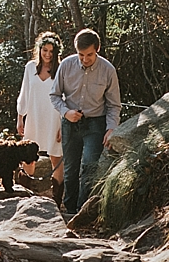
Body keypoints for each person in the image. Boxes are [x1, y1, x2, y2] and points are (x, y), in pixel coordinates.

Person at [49, 28, 121, 214]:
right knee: (70, 171)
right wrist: (66, 112)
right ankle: (70, 210)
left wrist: (111, 128)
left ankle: (82, 212)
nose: (85, 59)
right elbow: (54, 95)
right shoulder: (66, 65)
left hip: (96, 124)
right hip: (70, 123)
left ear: (97, 49)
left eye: (89, 55)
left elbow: (114, 104)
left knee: (89, 168)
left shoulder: (108, 70)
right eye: (81, 55)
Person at [15, 32, 64, 188]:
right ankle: (26, 192)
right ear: (39, 49)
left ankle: (57, 196)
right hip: (34, 117)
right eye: (45, 50)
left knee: (56, 156)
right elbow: (24, 93)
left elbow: (66, 98)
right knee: (28, 154)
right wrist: (20, 117)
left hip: (54, 118)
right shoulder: (30, 67)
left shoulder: (61, 69)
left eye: (51, 51)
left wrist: (63, 125)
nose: (48, 54)